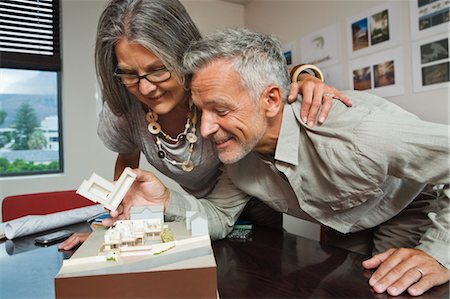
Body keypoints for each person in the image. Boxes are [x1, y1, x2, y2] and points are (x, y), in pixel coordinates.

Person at [59, 0, 350, 250]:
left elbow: (263, 79)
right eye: (129, 74)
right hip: (198, 208)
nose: (146, 89)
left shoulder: (208, 78)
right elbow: (127, 165)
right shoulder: (124, 109)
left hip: (255, 200)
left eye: (157, 69)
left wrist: (306, 76)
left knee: (267, 261)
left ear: (179, 53)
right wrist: (120, 226)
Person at [181, 28, 449, 297]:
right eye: (201, 111)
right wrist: (161, 199)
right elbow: (217, 216)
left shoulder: (357, 131)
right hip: (346, 221)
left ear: (272, 100)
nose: (205, 129)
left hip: (406, 207)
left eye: (222, 110)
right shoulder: (239, 156)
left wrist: (438, 253)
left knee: (393, 289)